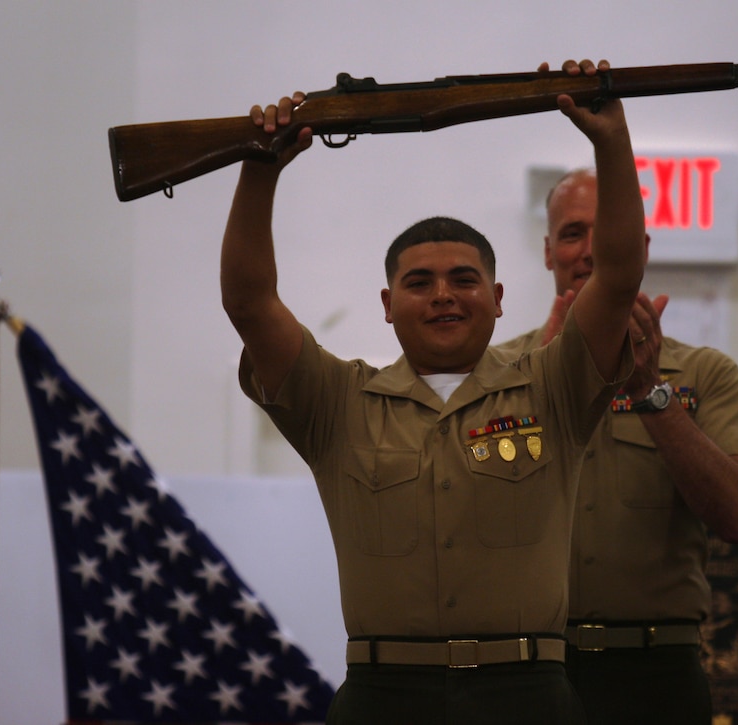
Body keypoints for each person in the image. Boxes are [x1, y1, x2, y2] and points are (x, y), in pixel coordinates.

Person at [220, 60, 646, 724]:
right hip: (383, 696)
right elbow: (249, 301)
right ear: (387, 304)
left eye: (463, 279)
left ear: (499, 300)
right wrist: (259, 169)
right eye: (419, 282)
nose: (443, 293)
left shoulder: (553, 387)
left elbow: (617, 274)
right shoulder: (337, 401)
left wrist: (611, 144)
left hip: (526, 695)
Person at [496, 167, 738, 724]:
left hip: (655, 677)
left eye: (610, 234)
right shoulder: (497, 371)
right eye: (573, 233)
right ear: (549, 252)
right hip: (525, 671)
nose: (591, 250)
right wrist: (537, 389)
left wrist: (651, 393)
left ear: (639, 248)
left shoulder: (705, 373)